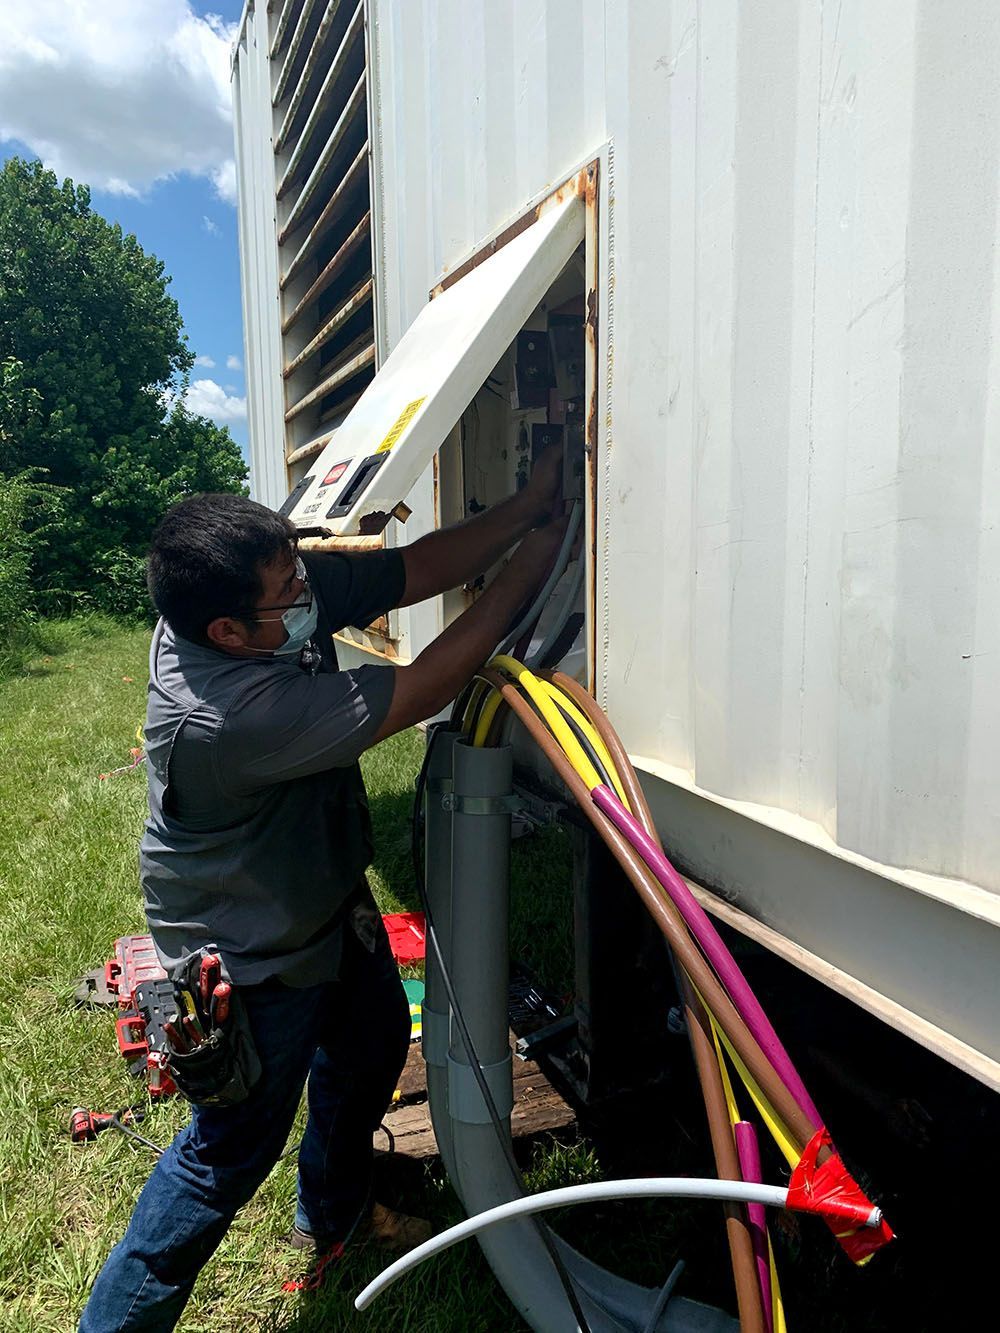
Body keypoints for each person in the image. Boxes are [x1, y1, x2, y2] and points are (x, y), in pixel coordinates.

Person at [79, 451, 567, 1332]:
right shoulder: (226, 713)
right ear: (228, 631)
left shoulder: (252, 593)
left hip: (320, 893)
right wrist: (531, 568)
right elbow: (428, 684)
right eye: (287, 591)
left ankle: (334, 1209)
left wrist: (526, 505)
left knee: (375, 1038)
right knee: (224, 1157)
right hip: (253, 950)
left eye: (298, 568)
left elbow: (410, 569)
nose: (306, 592)